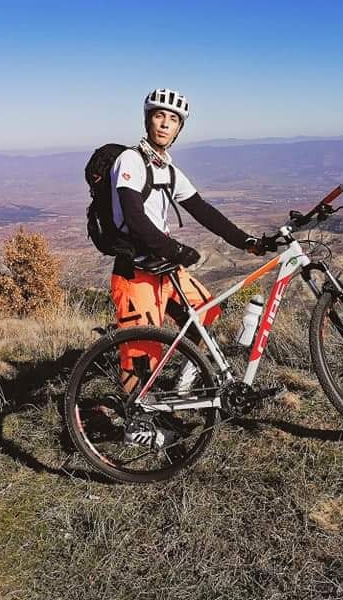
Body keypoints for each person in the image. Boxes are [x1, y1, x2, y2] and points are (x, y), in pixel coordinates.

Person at [110, 89, 260, 443]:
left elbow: (203, 210)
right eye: (159, 115)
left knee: (205, 313)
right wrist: (175, 249)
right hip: (136, 272)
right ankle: (135, 423)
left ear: (179, 128)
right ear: (148, 119)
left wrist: (247, 242)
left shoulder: (169, 170)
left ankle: (182, 387)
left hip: (166, 269)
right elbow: (134, 218)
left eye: (173, 119)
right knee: (141, 351)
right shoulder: (131, 161)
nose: (165, 123)